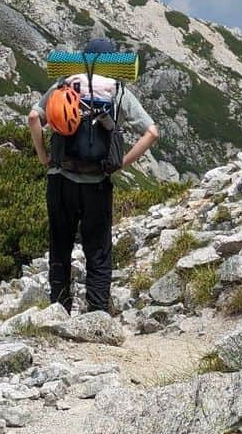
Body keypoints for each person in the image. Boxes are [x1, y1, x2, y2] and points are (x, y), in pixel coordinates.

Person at [28, 38, 159, 314]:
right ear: (112, 63)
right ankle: (97, 312)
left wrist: (43, 156)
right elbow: (152, 132)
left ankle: (59, 310)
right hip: (97, 184)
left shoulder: (64, 84)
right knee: (97, 250)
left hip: (60, 180)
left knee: (60, 246)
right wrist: (121, 162)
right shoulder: (117, 90)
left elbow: (32, 118)